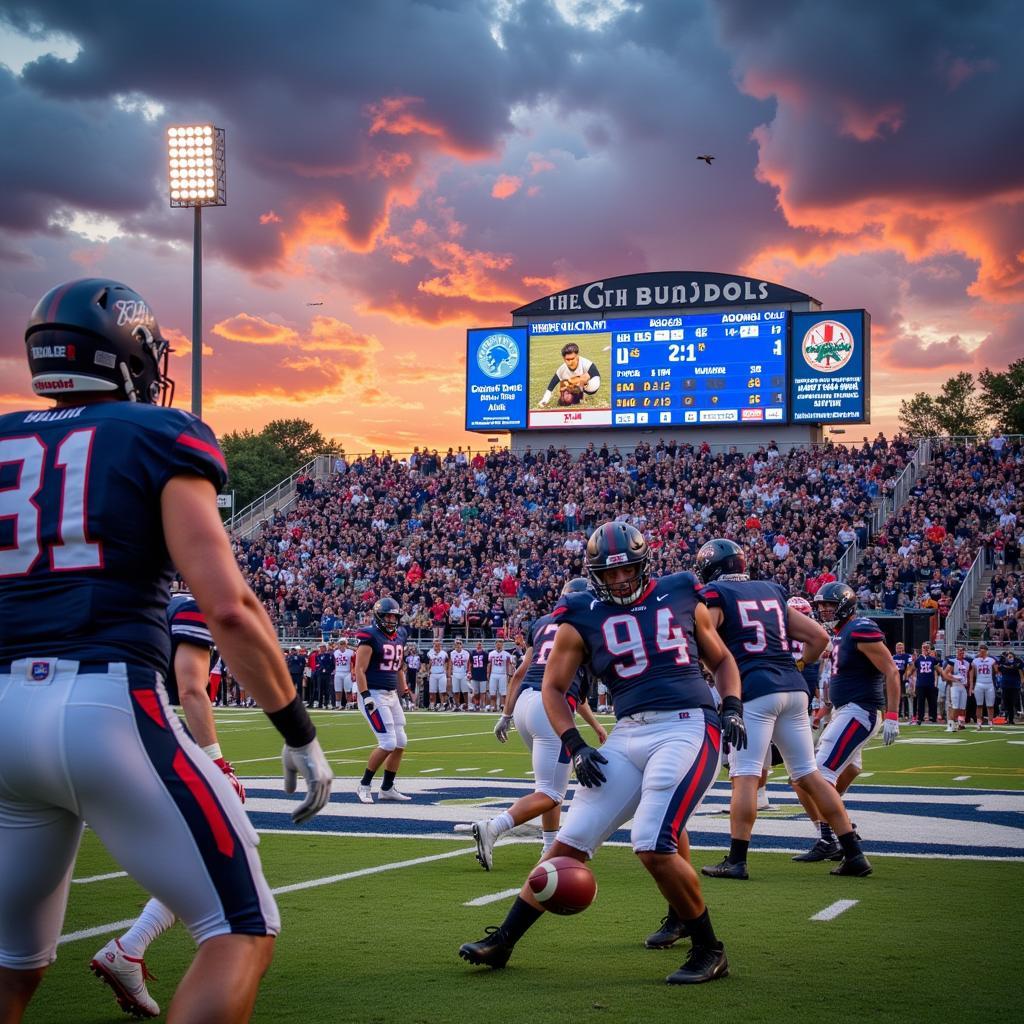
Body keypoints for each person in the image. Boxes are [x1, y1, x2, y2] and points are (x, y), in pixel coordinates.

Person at [0, 278, 332, 1024]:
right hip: (102, 705)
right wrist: (298, 733)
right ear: (129, 353)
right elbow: (229, 607)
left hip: (1, 715)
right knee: (239, 930)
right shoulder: (156, 433)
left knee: (12, 966)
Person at [459, 522, 747, 985]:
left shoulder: (679, 591)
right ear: (593, 574)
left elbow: (722, 660)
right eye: (608, 574)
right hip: (628, 732)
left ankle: (709, 949)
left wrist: (731, 706)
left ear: (643, 564)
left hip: (688, 724)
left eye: (626, 571)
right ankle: (503, 942)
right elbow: (552, 688)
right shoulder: (579, 613)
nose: (619, 581)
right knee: (567, 844)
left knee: (653, 846)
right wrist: (574, 745)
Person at [91, 589, 246, 1017]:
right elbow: (191, 688)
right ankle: (130, 948)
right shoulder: (193, 603)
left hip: (55, 723)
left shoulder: (130, 601)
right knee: (215, 852)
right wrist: (218, 764)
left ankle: (131, 948)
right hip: (124, 733)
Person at [692, 540, 868, 881]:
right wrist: (799, 664)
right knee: (809, 774)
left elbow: (703, 636)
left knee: (744, 774)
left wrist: (713, 669)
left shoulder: (715, 594)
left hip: (754, 690)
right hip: (793, 688)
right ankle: (853, 852)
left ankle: (738, 859)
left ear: (712, 568)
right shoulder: (772, 590)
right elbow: (819, 639)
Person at [474, 578, 608, 869]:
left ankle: (549, 849)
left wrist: (506, 715)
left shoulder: (543, 623)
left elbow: (520, 673)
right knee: (552, 791)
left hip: (525, 705)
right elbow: (573, 689)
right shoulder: (588, 625)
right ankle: (493, 827)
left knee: (549, 786)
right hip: (551, 709)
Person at [793, 582, 900, 872]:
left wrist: (892, 715)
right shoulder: (842, 633)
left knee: (813, 776)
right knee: (839, 774)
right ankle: (836, 834)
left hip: (859, 710)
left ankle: (839, 840)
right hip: (846, 710)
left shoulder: (861, 628)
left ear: (845, 603)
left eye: (829, 604)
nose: (825, 609)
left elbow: (891, 669)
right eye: (822, 605)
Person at [355, 597, 414, 803]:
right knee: (388, 742)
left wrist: (404, 689)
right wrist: (365, 696)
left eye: (394, 616)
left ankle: (387, 788)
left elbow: (397, 667)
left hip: (391, 694)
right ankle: (364, 785)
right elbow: (359, 670)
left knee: (401, 742)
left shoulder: (400, 636)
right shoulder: (370, 636)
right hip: (373, 693)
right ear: (379, 616)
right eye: (387, 616)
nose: (391, 620)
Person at [536, 342, 602, 408]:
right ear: (564, 358)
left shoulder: (586, 363)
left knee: (581, 378)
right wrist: (545, 400)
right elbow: (551, 386)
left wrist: (583, 382)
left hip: (592, 385)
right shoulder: (561, 369)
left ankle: (581, 394)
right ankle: (577, 397)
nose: (570, 362)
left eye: (572, 358)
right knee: (564, 399)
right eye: (567, 359)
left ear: (577, 356)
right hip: (577, 385)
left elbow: (596, 376)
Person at [909, 642, 939, 724]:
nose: (926, 649)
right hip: (920, 684)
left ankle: (932, 716)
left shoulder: (933, 659)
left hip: (930, 683)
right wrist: (910, 680)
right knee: (920, 701)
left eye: (927, 648)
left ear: (929, 649)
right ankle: (920, 717)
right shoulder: (918, 659)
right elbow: (912, 670)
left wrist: (939, 679)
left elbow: (938, 670)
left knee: (932, 701)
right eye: (924, 648)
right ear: (922, 649)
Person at [942, 646, 970, 732]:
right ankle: (951, 725)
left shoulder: (967, 663)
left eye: (962, 652)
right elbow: (944, 674)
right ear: (957, 652)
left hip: (963, 686)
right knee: (954, 706)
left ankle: (960, 724)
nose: (961, 653)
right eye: (959, 652)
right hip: (955, 686)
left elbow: (967, 675)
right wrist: (953, 679)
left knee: (962, 707)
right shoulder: (952, 662)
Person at [970, 643, 997, 729]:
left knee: (990, 705)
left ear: (986, 652)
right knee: (979, 705)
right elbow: (972, 674)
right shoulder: (975, 661)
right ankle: (979, 721)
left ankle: (990, 721)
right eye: (980, 651)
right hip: (979, 683)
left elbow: (996, 671)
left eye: (983, 651)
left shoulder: (991, 660)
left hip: (989, 684)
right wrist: (972, 685)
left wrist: (996, 667)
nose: (981, 653)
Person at [487, 638, 515, 713]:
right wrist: (488, 674)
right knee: (492, 692)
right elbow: (489, 665)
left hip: (503, 674)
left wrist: (510, 674)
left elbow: (509, 665)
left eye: (500, 643)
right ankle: (494, 706)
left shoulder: (507, 654)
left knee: (503, 693)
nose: (499, 644)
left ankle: (502, 706)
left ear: (503, 644)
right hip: (493, 674)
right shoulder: (491, 653)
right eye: (497, 643)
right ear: (495, 644)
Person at [997, 651, 1021, 724]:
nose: (1009, 657)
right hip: (1005, 686)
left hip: (1015, 686)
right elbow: (999, 669)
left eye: (1011, 656)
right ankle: (1006, 718)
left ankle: (1011, 718)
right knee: (1006, 703)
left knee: (1013, 702)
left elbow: (1020, 672)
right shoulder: (1003, 664)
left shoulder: (1017, 663)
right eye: (1008, 656)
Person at [426, 638, 450, 711]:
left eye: (438, 643)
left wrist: (447, 672)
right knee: (432, 691)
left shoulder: (444, 653)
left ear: (440, 644)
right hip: (433, 673)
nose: (436, 645)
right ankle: (432, 705)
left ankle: (443, 705)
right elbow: (429, 663)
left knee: (442, 691)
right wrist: (428, 671)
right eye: (435, 643)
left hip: (441, 673)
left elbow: (447, 663)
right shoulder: (430, 652)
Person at [892, 641, 912, 720]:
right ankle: (899, 713)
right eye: (897, 648)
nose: (899, 649)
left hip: (904, 676)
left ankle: (906, 713)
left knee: (905, 695)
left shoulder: (907, 656)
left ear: (903, 648)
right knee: (898, 696)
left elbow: (910, 666)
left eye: (900, 647)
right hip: (896, 677)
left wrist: (907, 674)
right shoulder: (893, 657)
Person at [333, 637, 354, 710]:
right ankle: (338, 705)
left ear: (346, 644)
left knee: (348, 690)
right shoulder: (335, 652)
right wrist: (335, 670)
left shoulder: (351, 652)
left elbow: (353, 663)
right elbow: (335, 662)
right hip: (338, 672)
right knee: (337, 690)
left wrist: (352, 673)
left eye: (343, 643)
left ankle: (348, 704)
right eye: (341, 643)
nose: (342, 645)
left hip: (347, 672)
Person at [450, 638, 470, 711]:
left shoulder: (466, 653)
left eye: (459, 644)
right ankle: (457, 706)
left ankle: (467, 705)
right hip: (455, 673)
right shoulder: (452, 653)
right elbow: (451, 663)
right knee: (456, 691)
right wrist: (450, 673)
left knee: (465, 691)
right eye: (457, 644)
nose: (458, 645)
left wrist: (469, 672)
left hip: (463, 673)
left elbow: (469, 663)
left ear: (462, 645)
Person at [469, 640, 488, 711]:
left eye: (480, 644)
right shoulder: (472, 653)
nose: (479, 646)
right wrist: (470, 672)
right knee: (475, 692)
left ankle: (482, 705)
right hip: (475, 675)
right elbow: (470, 664)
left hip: (483, 675)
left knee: (483, 692)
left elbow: (488, 664)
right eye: (478, 644)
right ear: (476, 645)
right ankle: (475, 704)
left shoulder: (485, 654)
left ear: (482, 645)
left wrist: (487, 673)